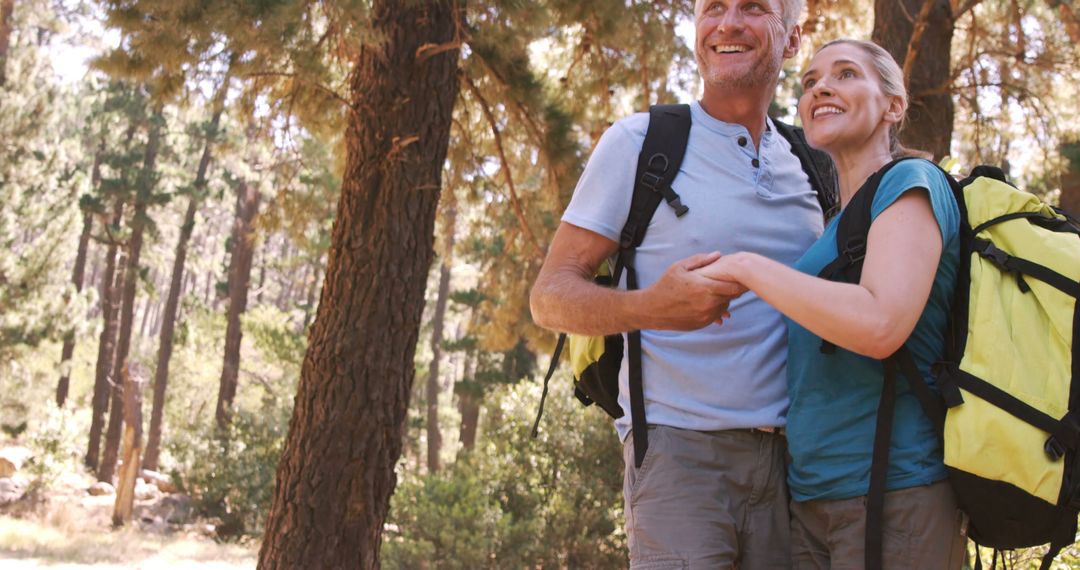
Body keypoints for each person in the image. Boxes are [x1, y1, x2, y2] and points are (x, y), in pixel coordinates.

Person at [530, 1, 831, 567]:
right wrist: (651, 306)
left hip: (801, 463)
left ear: (792, 40)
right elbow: (548, 297)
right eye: (713, 7)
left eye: (753, 8)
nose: (728, 23)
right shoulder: (638, 143)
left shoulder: (815, 163)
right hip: (677, 454)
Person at [695, 38, 968, 568]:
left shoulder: (912, 182)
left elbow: (880, 323)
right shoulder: (836, 228)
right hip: (816, 499)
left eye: (846, 74)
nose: (821, 87)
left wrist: (747, 267)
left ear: (894, 106)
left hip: (895, 494)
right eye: (811, 81)